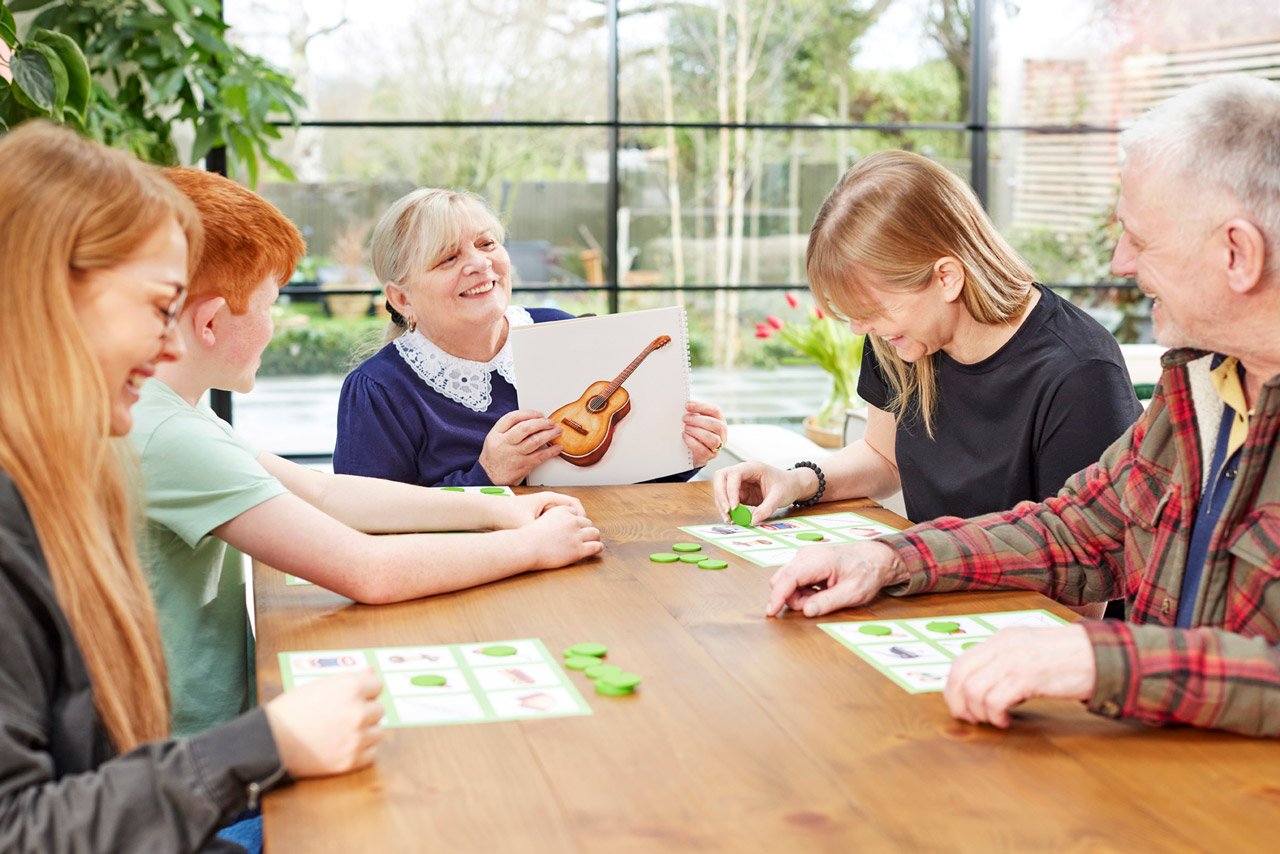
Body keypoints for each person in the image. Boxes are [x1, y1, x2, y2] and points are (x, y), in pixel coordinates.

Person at [765, 76, 1280, 738]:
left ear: (1236, 254)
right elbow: (1078, 529)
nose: (1121, 263)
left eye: (1140, 240)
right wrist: (891, 559)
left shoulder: (1084, 366)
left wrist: (1108, 662)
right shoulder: (1204, 385)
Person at [0, 122, 383, 852]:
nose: (175, 343)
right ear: (53, 295)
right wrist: (262, 744)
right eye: (156, 306)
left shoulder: (57, 471)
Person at [132, 169, 602, 740]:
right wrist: (530, 545)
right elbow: (369, 571)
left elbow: (327, 493)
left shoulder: (171, 412)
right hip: (188, 769)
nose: (274, 325)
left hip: (207, 744)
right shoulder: (165, 433)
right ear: (210, 322)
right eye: (269, 305)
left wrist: (497, 508)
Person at [715, 149, 1141, 618]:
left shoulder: (1079, 373)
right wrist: (795, 481)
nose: (861, 328)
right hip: (923, 591)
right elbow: (883, 456)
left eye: (873, 310)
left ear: (946, 277)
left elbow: (1083, 591)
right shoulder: (903, 339)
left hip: (1022, 630)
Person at [333, 188, 728, 487]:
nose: (479, 262)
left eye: (487, 243)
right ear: (402, 298)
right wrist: (486, 475)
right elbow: (368, 528)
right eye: (448, 258)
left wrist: (684, 454)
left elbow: (616, 479)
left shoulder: (560, 330)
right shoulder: (376, 391)